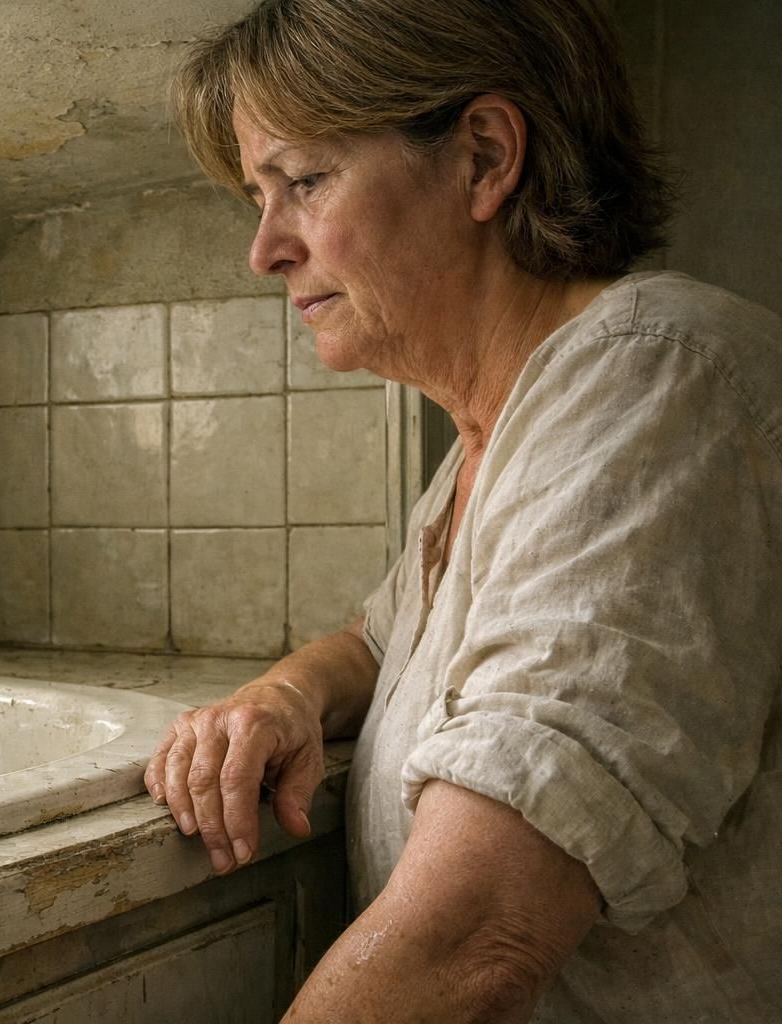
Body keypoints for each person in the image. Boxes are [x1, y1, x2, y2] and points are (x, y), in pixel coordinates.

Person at [143, 0, 782, 1020]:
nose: (264, 249)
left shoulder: (653, 385)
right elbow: (378, 639)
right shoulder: (487, 445)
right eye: (260, 197)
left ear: (484, 158)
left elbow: (478, 938)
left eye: (303, 181)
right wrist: (285, 694)